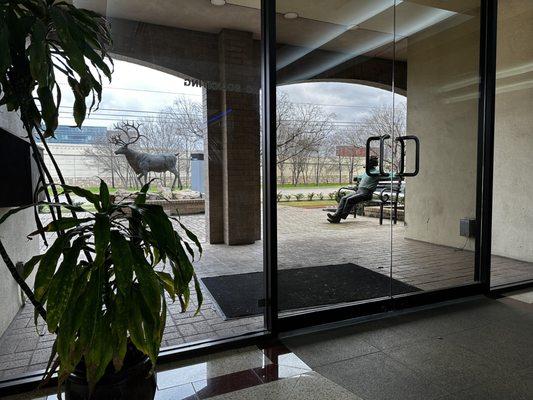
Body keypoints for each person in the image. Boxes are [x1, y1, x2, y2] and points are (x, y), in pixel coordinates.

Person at [327, 156, 381, 223]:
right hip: (359, 191)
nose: (365, 167)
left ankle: (338, 216)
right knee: (344, 198)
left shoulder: (376, 172)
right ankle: (336, 217)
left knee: (350, 199)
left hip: (366, 193)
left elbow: (386, 174)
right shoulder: (367, 172)